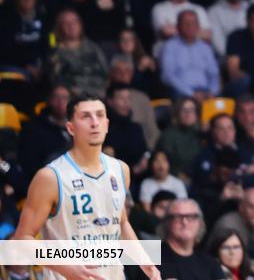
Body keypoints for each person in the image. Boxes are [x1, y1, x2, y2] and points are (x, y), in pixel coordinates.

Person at [12, 94, 161, 280]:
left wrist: (144, 260)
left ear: (107, 124)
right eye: (85, 116)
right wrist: (66, 267)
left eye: (99, 115)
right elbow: (22, 240)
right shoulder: (50, 177)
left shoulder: (120, 170)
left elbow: (121, 222)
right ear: (70, 128)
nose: (94, 122)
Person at [160, 199, 227, 280]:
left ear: (200, 223)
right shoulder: (151, 250)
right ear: (167, 222)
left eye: (191, 217)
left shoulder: (211, 263)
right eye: (178, 217)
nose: (185, 222)